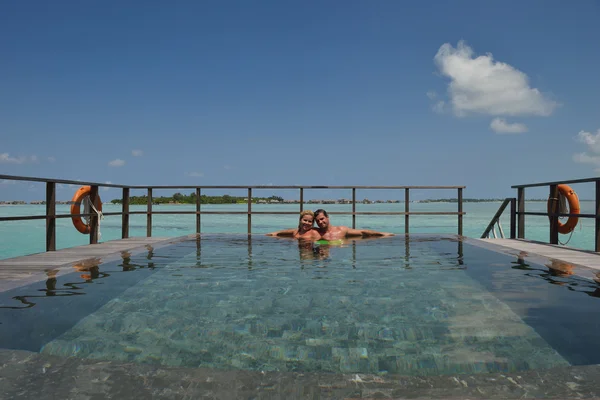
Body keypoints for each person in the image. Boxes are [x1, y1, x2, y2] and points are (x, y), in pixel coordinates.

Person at [313, 209, 394, 240]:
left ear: (327, 217)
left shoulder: (341, 230)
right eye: (317, 221)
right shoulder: (315, 232)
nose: (320, 222)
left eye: (322, 219)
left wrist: (382, 234)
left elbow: (362, 232)